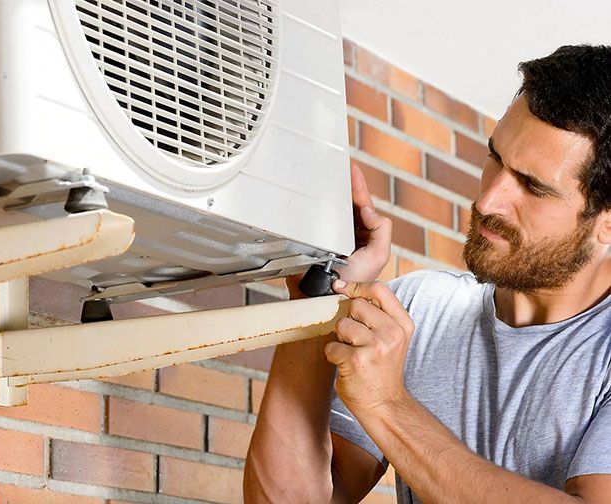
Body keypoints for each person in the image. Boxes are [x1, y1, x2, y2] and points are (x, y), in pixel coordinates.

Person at [244, 44, 611, 503]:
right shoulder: (418, 311)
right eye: (495, 158)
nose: (487, 202)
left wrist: (388, 406)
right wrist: (314, 294)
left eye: (533, 186)